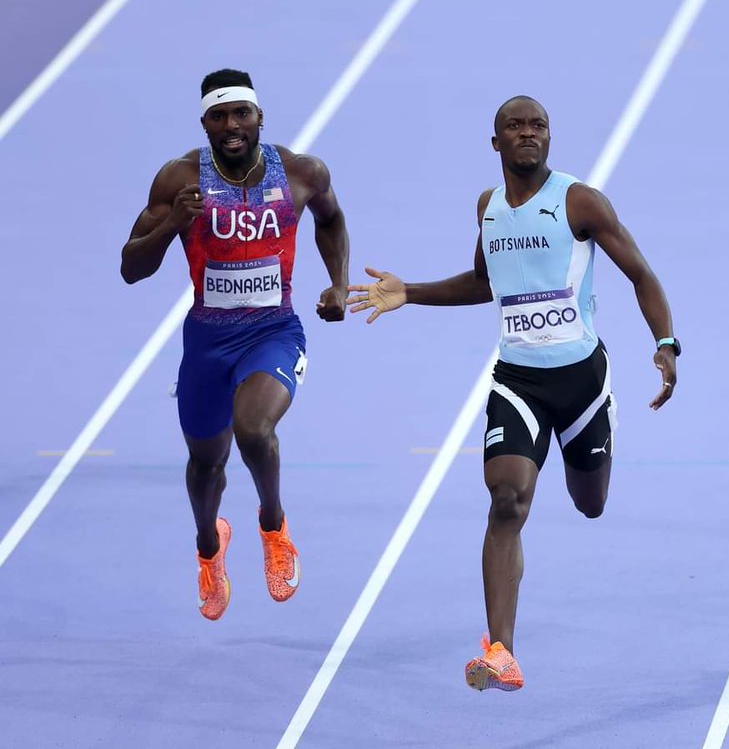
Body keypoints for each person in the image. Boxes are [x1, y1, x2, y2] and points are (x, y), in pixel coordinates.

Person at [347, 95, 679, 691]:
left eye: (538, 125)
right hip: (517, 380)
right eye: (515, 126)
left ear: (549, 138)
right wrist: (410, 292)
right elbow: (485, 282)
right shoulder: (489, 207)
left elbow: (642, 273)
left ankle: (597, 435)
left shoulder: (580, 202)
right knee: (507, 501)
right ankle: (501, 650)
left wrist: (665, 343)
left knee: (590, 504)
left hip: (582, 382)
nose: (528, 133)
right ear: (495, 142)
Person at [120, 69, 350, 619]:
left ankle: (273, 526)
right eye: (219, 116)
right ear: (204, 123)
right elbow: (131, 267)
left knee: (254, 429)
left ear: (259, 117)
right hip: (207, 343)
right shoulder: (178, 179)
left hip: (273, 332)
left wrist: (339, 285)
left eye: (241, 114)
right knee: (206, 466)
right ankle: (209, 548)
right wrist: (172, 225)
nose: (231, 125)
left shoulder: (302, 172)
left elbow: (332, 219)